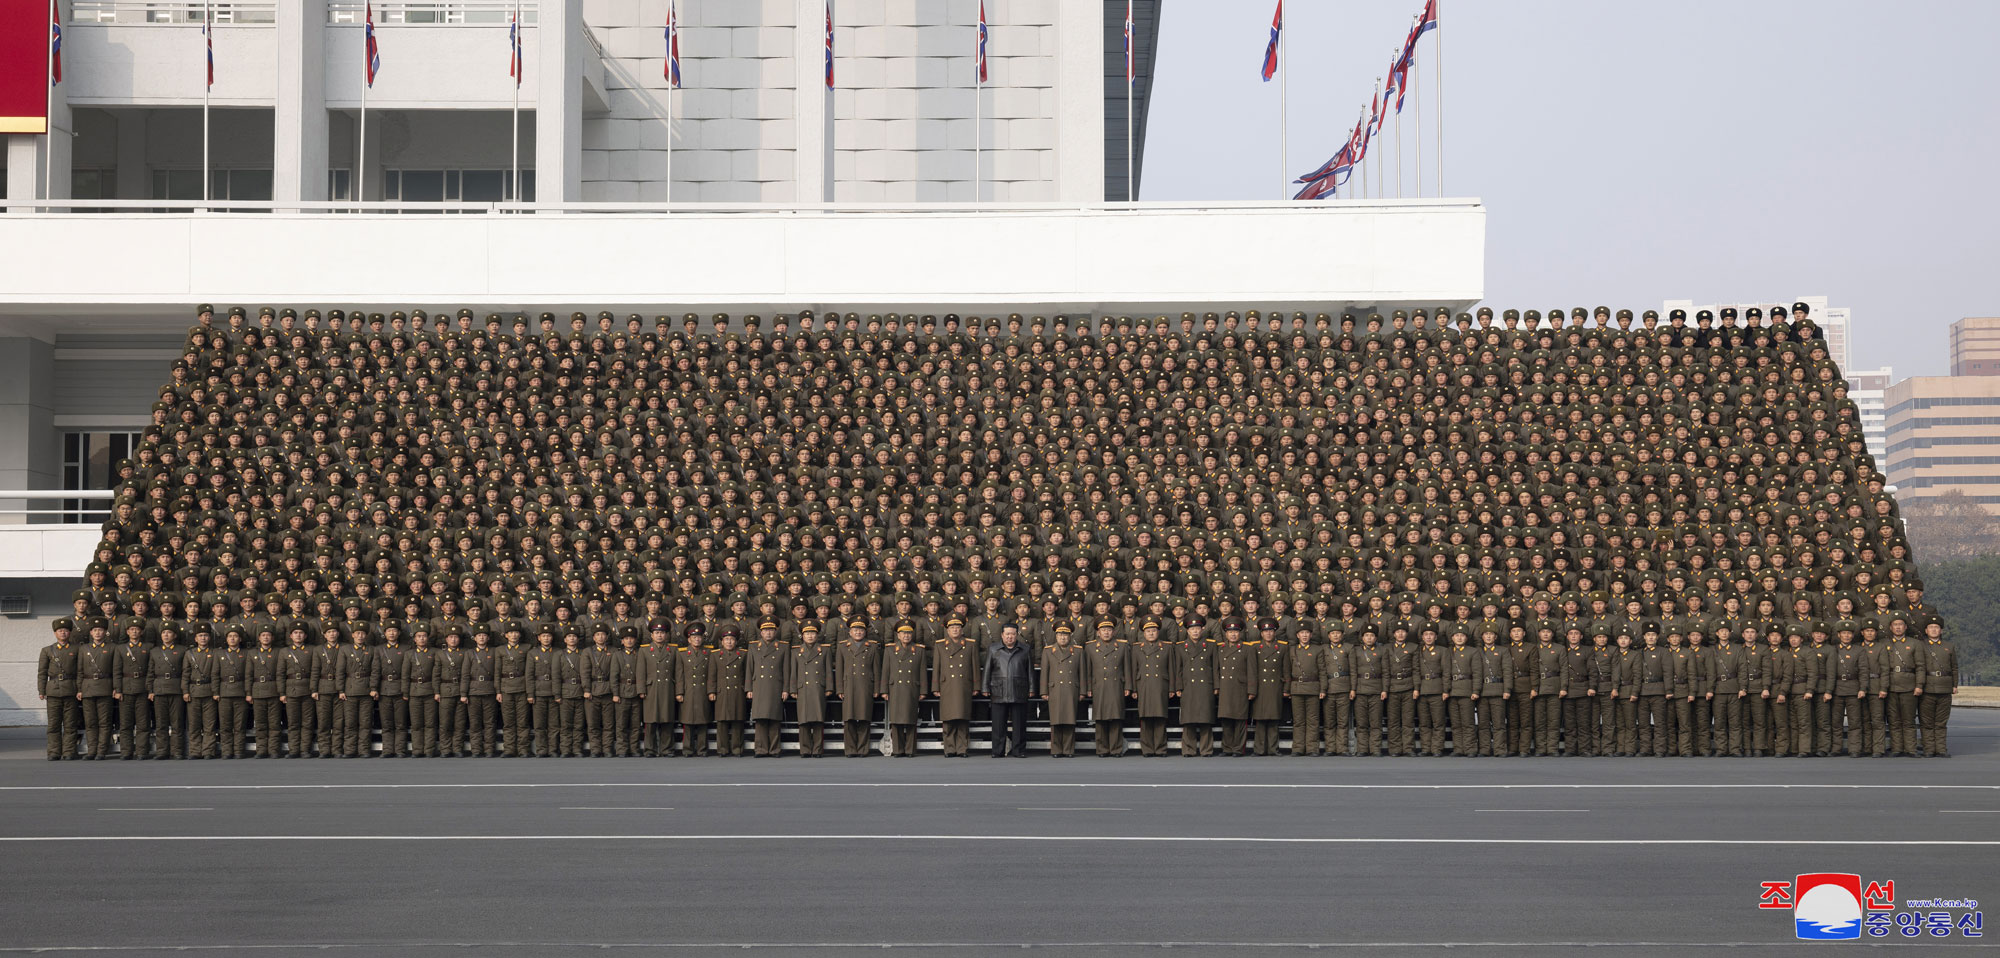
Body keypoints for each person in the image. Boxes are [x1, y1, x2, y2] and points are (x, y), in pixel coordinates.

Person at [932, 618, 980, 757]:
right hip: (947, 685)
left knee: (963, 718)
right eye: (952, 627)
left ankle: (962, 749)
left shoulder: (970, 645)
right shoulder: (940, 645)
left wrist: (976, 685)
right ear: (947, 630)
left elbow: (975, 667)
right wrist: (935, 686)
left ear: (962, 629)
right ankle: (949, 748)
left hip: (964, 685)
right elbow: (937, 668)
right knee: (948, 719)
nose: (955, 630)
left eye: (958, 627)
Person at [983, 623, 1032, 758]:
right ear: (1002, 635)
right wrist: (985, 687)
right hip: (999, 689)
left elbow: (1030, 672)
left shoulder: (1025, 649)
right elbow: (987, 669)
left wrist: (1032, 688)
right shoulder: (993, 649)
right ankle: (997, 751)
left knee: (1019, 724)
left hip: (1019, 689)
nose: (1010, 637)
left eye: (1013, 634)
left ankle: (1019, 750)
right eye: (1007, 634)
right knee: (998, 724)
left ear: (1017, 635)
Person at [1083, 620, 1129, 757]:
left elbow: (1127, 668)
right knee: (1100, 718)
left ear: (1113, 631)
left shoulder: (1122, 646)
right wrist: (1088, 687)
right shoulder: (1090, 647)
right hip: (1099, 686)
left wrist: (1128, 686)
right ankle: (1102, 749)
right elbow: (1088, 670)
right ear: (1098, 632)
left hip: (1116, 685)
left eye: (1109, 629)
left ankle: (1116, 749)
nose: (1106, 632)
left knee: (1116, 718)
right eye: (1103, 630)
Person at [880, 624, 926, 757]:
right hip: (895, 688)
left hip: (912, 687)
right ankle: (898, 749)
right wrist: (884, 690)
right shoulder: (890, 650)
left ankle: (910, 750)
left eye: (909, 633)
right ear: (898, 635)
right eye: (903, 633)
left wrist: (923, 690)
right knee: (896, 720)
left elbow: (922, 672)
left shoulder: (919, 650)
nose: (906, 636)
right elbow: (885, 671)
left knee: (911, 720)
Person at [1132, 621, 1178, 757]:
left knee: (1160, 718)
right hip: (1144, 685)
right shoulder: (1137, 648)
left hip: (1160, 686)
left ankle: (1160, 748)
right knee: (1145, 719)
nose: (1151, 633)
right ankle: (1147, 749)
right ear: (1143, 633)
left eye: (1153, 631)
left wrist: (1172, 689)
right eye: (1148, 631)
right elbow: (1134, 670)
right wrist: (1134, 689)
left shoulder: (1166, 647)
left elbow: (1171, 669)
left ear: (1158, 632)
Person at [37, 620, 81, 761]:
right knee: (54, 724)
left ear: (70, 632)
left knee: (70, 724)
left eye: (66, 630)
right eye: (60, 630)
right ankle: (54, 752)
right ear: (55, 633)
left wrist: (79, 689)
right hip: (53, 690)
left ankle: (69, 751)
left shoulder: (77, 649)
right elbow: (42, 672)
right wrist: (41, 690)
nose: (63, 632)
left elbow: (80, 671)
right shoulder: (47, 650)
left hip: (71, 689)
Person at [788, 623, 833, 757]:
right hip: (803, 689)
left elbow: (829, 671)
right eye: (807, 633)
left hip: (818, 688)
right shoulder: (796, 651)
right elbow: (793, 673)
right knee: (803, 720)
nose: (810, 636)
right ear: (802, 636)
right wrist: (793, 689)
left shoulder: (824, 650)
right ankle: (805, 749)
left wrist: (829, 687)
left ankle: (818, 750)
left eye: (812, 633)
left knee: (818, 720)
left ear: (817, 635)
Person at [835, 619, 879, 757]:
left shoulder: (872, 646)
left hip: (866, 685)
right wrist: (840, 689)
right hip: (849, 686)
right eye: (855, 630)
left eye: (861, 630)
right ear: (850, 632)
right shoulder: (842, 646)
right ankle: (850, 749)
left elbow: (877, 670)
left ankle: (863, 749)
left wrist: (877, 688)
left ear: (865, 632)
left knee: (864, 718)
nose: (858, 632)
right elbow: (839, 669)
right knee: (849, 719)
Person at [747, 621, 790, 757]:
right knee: (760, 720)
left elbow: (786, 670)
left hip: (775, 686)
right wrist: (749, 688)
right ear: (761, 632)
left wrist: (786, 689)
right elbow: (749, 669)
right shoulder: (753, 646)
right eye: (766, 630)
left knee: (774, 719)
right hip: (758, 686)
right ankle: (760, 749)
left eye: (771, 630)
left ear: (775, 631)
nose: (768, 633)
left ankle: (774, 749)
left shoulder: (783, 647)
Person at [1920, 622, 1958, 757]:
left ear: (1941, 630)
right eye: (1931, 627)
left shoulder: (1949, 646)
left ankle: (1941, 749)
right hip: (1927, 687)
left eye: (1936, 627)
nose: (1934, 630)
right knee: (1927, 722)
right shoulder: (1921, 645)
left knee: (1941, 721)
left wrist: (1955, 685)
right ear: (1926, 630)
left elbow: (1954, 667)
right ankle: (1929, 749)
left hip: (1945, 687)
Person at [677, 627, 715, 756]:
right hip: (688, 690)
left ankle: (702, 749)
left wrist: (711, 691)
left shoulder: (709, 653)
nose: (697, 639)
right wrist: (679, 692)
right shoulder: (682, 653)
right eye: (694, 637)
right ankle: (687, 749)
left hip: (702, 691)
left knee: (703, 721)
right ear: (689, 639)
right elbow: (679, 675)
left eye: (699, 637)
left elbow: (711, 674)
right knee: (687, 722)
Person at [641, 625, 678, 757]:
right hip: (651, 689)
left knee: (667, 719)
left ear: (666, 635)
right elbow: (641, 672)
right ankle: (650, 749)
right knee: (650, 721)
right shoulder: (645, 650)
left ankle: (667, 749)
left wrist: (678, 691)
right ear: (652, 635)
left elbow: (677, 672)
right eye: (657, 633)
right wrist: (641, 690)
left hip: (668, 688)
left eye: (662, 633)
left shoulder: (673, 649)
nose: (659, 635)